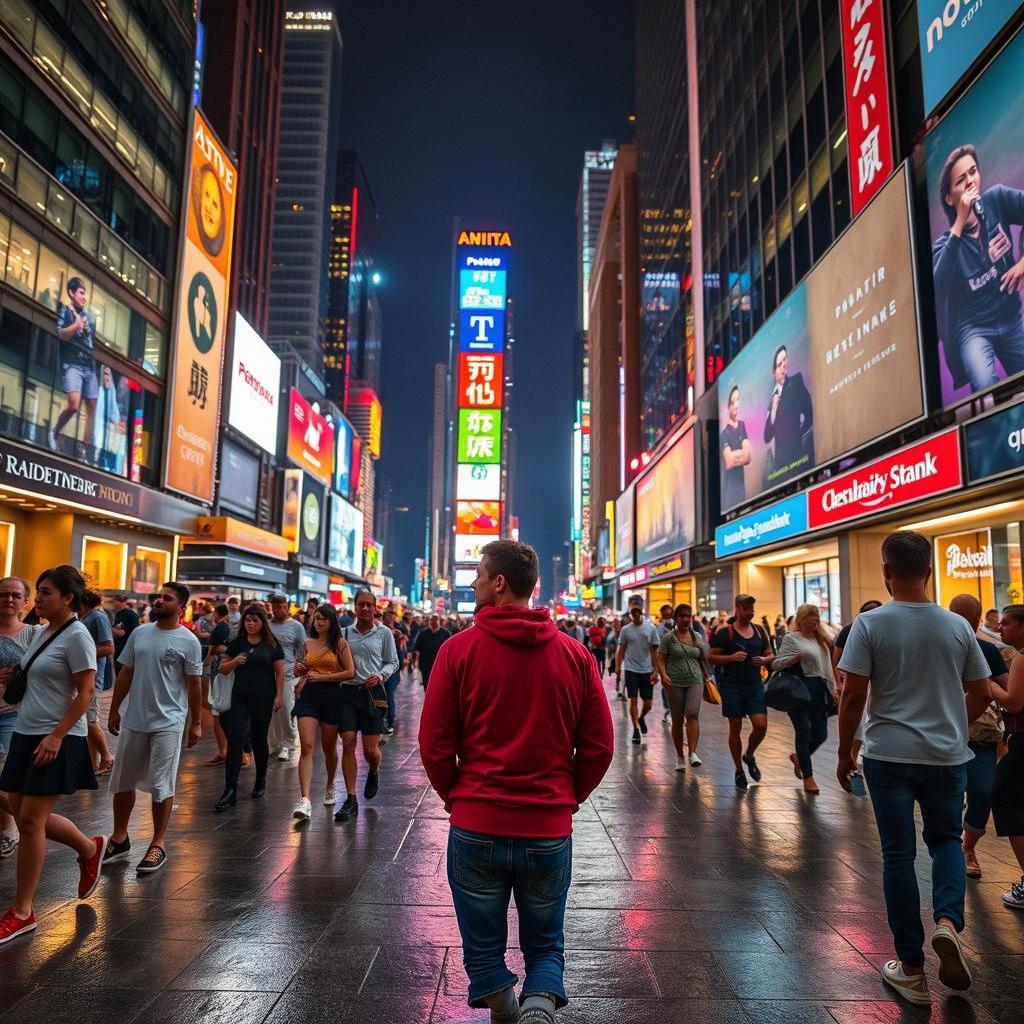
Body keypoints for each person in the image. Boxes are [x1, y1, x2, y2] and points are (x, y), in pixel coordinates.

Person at [419, 540, 614, 1024]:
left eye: (480, 574)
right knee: (546, 946)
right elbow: (599, 747)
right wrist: (564, 799)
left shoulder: (457, 651)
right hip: (547, 829)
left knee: (483, 950)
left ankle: (507, 1010)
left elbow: (435, 745)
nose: (473, 582)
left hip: (476, 824)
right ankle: (540, 1007)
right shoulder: (575, 656)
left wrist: (457, 797)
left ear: (500, 583)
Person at [836, 531, 993, 1006]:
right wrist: (951, 726)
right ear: (929, 571)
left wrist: (845, 752)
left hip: (889, 757)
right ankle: (947, 922)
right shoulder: (957, 626)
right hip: (947, 758)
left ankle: (911, 971)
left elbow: (854, 694)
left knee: (898, 856)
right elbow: (984, 692)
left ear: (886, 571)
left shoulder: (871, 625)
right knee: (946, 841)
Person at [0, 565, 107, 945]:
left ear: (67, 598)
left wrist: (58, 735)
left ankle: (22, 911)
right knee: (16, 807)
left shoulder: (78, 635)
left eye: (45, 592)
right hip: (27, 733)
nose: (38, 598)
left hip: (56, 737)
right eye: (40, 591)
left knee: (29, 822)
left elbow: (86, 692)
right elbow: (44, 680)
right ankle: (87, 846)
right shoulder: (45, 632)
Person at [103, 582, 202, 874]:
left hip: (169, 722)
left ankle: (158, 844)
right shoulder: (140, 633)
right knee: (123, 781)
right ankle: (120, 838)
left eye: (167, 598)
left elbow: (195, 684)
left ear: (180, 608)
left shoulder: (189, 641)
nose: (159, 601)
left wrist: (195, 723)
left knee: (161, 783)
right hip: (135, 719)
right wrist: (114, 710)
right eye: (159, 597)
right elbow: (125, 674)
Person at [932, 144, 1024, 397]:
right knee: (985, 387)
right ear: (949, 198)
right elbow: (937, 288)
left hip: (1011, 318)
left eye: (973, 172)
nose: (971, 181)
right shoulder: (944, 245)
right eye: (961, 180)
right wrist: (960, 221)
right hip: (974, 330)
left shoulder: (998, 199)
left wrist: (1022, 262)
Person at [948, 594, 1010, 880]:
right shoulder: (941, 647)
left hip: (980, 735)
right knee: (948, 795)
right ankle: (948, 849)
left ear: (976, 621)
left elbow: (1008, 693)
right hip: (945, 733)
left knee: (983, 792)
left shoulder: (987, 650)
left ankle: (967, 847)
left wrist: (981, 684)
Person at [334, 589, 398, 822]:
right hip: (347, 693)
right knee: (348, 741)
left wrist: (381, 675)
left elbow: (393, 662)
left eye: (369, 605)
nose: (365, 608)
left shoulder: (384, 633)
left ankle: (374, 770)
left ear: (375, 607)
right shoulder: (343, 634)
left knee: (371, 750)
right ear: (354, 607)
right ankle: (350, 798)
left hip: (372, 695)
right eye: (361, 604)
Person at [214, 604, 284, 811]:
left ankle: (261, 780)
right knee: (235, 738)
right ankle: (230, 789)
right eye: (248, 620)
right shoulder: (238, 643)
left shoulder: (271, 644)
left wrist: (279, 695)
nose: (251, 624)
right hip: (239, 698)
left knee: (258, 739)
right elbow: (222, 669)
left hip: (263, 697)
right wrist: (234, 661)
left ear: (263, 622)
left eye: (255, 620)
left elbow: (279, 672)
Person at [291, 605, 355, 820]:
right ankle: (305, 799)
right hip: (308, 697)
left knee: (328, 747)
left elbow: (349, 672)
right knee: (307, 746)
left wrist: (323, 677)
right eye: (316, 619)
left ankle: (329, 784)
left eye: (323, 619)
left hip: (331, 698)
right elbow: (298, 666)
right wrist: (299, 669)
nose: (319, 623)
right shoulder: (307, 643)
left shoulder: (340, 644)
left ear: (331, 622)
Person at [708, 595, 773, 789]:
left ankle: (749, 754)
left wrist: (764, 659)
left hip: (754, 685)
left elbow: (770, 654)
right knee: (735, 726)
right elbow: (710, 657)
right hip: (731, 685)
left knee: (761, 725)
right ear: (737, 609)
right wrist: (731, 658)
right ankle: (738, 770)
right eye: (746, 609)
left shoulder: (760, 631)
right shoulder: (725, 633)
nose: (750, 613)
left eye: (752, 609)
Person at [772, 604, 837, 795]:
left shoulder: (822, 639)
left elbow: (827, 668)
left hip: (819, 691)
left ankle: (799, 757)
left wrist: (833, 689)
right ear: (802, 619)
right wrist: (791, 660)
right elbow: (776, 663)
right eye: (812, 616)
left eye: (818, 616)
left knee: (821, 734)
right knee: (804, 731)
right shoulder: (792, 639)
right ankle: (808, 777)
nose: (816, 620)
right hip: (798, 691)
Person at [0, 578, 36, 859]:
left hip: (14, 716)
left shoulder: (35, 635)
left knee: (5, 776)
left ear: (26, 602)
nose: (9, 599)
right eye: (3, 595)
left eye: (15, 595)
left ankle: (10, 828)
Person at [992, 605, 1024, 910]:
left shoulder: (1021, 659)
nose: (1001, 629)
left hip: (1022, 740)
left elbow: (1013, 703)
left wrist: (987, 684)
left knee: (1006, 801)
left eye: (1007, 623)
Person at [832, 600, 883, 777]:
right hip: (856, 682)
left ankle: (852, 759)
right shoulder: (852, 630)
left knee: (863, 724)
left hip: (871, 686)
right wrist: (838, 682)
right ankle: (852, 759)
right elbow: (837, 657)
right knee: (860, 724)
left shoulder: (884, 629)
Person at [656, 603, 707, 771]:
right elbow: (661, 659)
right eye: (682, 616)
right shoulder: (668, 638)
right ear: (676, 618)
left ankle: (693, 753)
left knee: (692, 713)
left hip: (695, 679)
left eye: (688, 615)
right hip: (674, 682)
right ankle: (679, 756)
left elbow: (704, 657)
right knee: (677, 719)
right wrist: (663, 675)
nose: (686, 619)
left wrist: (704, 652)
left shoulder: (697, 637)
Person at [49, 278, 99, 453]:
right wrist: (76, 325)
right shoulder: (66, 311)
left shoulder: (88, 316)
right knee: (74, 405)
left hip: (88, 364)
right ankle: (55, 432)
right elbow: (61, 333)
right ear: (71, 293)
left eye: (85, 293)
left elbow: (92, 340)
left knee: (92, 406)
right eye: (81, 293)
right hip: (72, 363)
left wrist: (85, 327)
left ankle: (84, 448)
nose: (84, 297)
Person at [762, 343, 814, 484]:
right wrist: (773, 409)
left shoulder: (796, 381)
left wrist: (799, 436)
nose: (784, 365)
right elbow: (767, 436)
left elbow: (810, 413)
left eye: (785, 359)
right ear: (774, 372)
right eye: (779, 364)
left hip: (798, 464)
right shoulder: (772, 401)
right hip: (780, 473)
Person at [268, 594, 307, 762]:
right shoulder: (267, 625)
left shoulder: (296, 626)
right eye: (275, 607)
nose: (278, 610)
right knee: (270, 711)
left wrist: (300, 668)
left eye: (282, 606)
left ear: (287, 606)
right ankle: (273, 744)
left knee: (285, 708)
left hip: (289, 672)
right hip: (269, 673)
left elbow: (303, 649)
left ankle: (287, 744)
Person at [80, 590, 115, 776]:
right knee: (88, 722)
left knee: (90, 720)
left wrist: (80, 653)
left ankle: (107, 758)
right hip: (87, 676)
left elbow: (108, 647)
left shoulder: (97, 617)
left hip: (93, 678)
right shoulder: (87, 617)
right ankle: (94, 764)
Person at [615, 605, 660, 746]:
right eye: (633, 613)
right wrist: (617, 667)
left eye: (638, 612)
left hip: (646, 670)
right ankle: (635, 730)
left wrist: (656, 669)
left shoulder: (650, 628)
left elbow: (655, 651)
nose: (635, 615)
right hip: (631, 669)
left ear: (642, 613)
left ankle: (641, 718)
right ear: (630, 615)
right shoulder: (625, 630)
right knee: (633, 700)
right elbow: (621, 650)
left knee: (648, 704)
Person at [202, 604, 231, 767]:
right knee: (219, 711)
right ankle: (227, 751)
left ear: (217, 613)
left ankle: (223, 751)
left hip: (219, 674)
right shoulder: (230, 629)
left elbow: (212, 650)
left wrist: (204, 663)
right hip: (223, 673)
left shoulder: (221, 628)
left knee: (217, 712)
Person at [720, 384, 752, 508]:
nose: (736, 405)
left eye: (738, 400)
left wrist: (735, 455)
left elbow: (748, 457)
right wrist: (741, 453)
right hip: (729, 495)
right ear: (728, 406)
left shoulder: (742, 426)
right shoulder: (724, 433)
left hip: (741, 491)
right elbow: (728, 461)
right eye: (733, 402)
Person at [410, 614, 451, 692]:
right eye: (432, 620)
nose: (434, 622)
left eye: (436, 619)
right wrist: (416, 662)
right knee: (427, 685)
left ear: (440, 622)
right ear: (430, 622)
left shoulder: (446, 634)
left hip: (441, 665)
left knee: (439, 686)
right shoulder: (423, 634)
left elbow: (451, 650)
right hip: (425, 665)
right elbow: (417, 649)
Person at [111, 593, 139, 669]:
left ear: (125, 602)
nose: (118, 603)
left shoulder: (130, 615)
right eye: (116, 601)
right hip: (118, 650)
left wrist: (108, 627)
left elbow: (122, 633)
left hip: (126, 651)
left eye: (121, 601)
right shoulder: (118, 614)